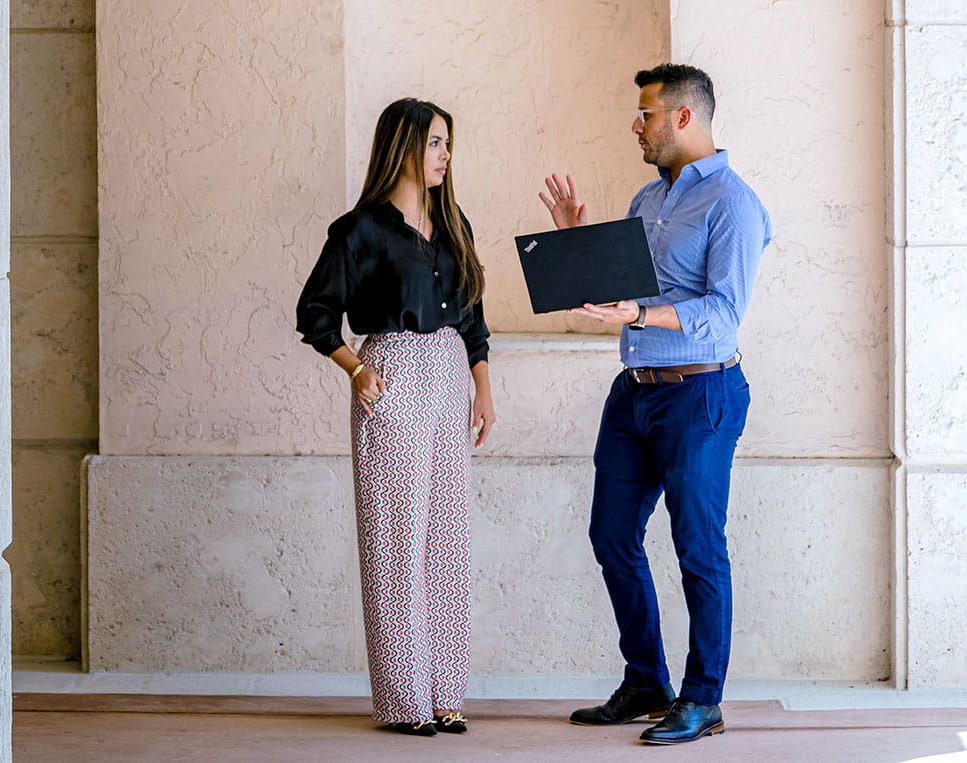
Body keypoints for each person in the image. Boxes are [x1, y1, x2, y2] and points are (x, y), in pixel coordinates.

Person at [538, 64, 771, 745]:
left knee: (698, 547)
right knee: (611, 534)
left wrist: (642, 310)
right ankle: (647, 679)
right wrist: (575, 239)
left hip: (702, 393)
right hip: (634, 395)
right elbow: (624, 291)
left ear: (683, 118)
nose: (635, 125)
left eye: (646, 113)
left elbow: (725, 318)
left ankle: (703, 699)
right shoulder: (647, 198)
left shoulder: (733, 203)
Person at [296, 98, 495, 737]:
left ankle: (445, 692)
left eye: (447, 145)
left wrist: (482, 391)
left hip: (448, 375)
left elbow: (472, 319)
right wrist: (357, 369)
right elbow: (315, 313)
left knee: (446, 540)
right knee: (395, 542)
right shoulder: (360, 230)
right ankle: (405, 700)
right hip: (393, 374)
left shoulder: (453, 220)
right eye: (436, 143)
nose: (444, 156)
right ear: (405, 146)